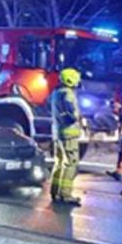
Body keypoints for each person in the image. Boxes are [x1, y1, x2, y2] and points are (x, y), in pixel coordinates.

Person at [50, 67, 83, 206]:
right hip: (69, 134)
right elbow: (72, 115)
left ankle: (55, 190)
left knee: (59, 162)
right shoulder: (68, 94)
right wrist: (78, 117)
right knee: (71, 164)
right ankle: (65, 194)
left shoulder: (56, 93)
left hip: (58, 133)